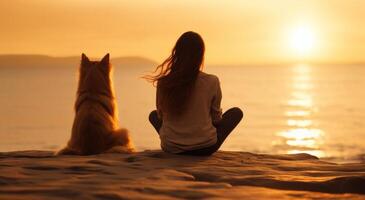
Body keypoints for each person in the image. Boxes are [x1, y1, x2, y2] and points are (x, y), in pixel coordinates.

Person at [145, 31, 243, 156]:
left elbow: (160, 116)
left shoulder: (164, 82)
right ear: (200, 55)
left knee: (153, 115)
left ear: (177, 53)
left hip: (171, 147)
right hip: (205, 148)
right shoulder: (212, 81)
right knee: (236, 112)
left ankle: (175, 140)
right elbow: (216, 119)